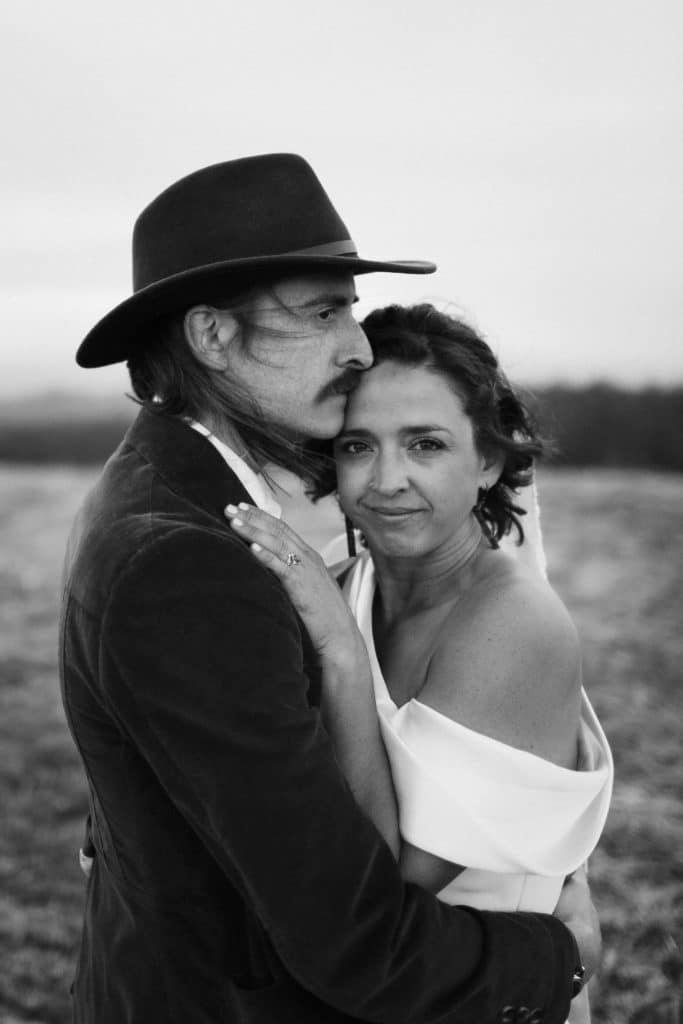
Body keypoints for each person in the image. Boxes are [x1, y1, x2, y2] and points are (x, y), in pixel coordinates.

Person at [62, 154, 592, 1024]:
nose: (357, 345)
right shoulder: (185, 565)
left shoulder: (160, 487)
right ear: (212, 337)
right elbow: (354, 940)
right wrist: (558, 960)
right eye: (322, 311)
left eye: (350, 308)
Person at [224, 303, 613, 1024]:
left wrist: (341, 652)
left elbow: (382, 893)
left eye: (425, 444)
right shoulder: (348, 583)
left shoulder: (513, 623)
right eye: (356, 447)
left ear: (489, 460)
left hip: (479, 996)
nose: (386, 480)